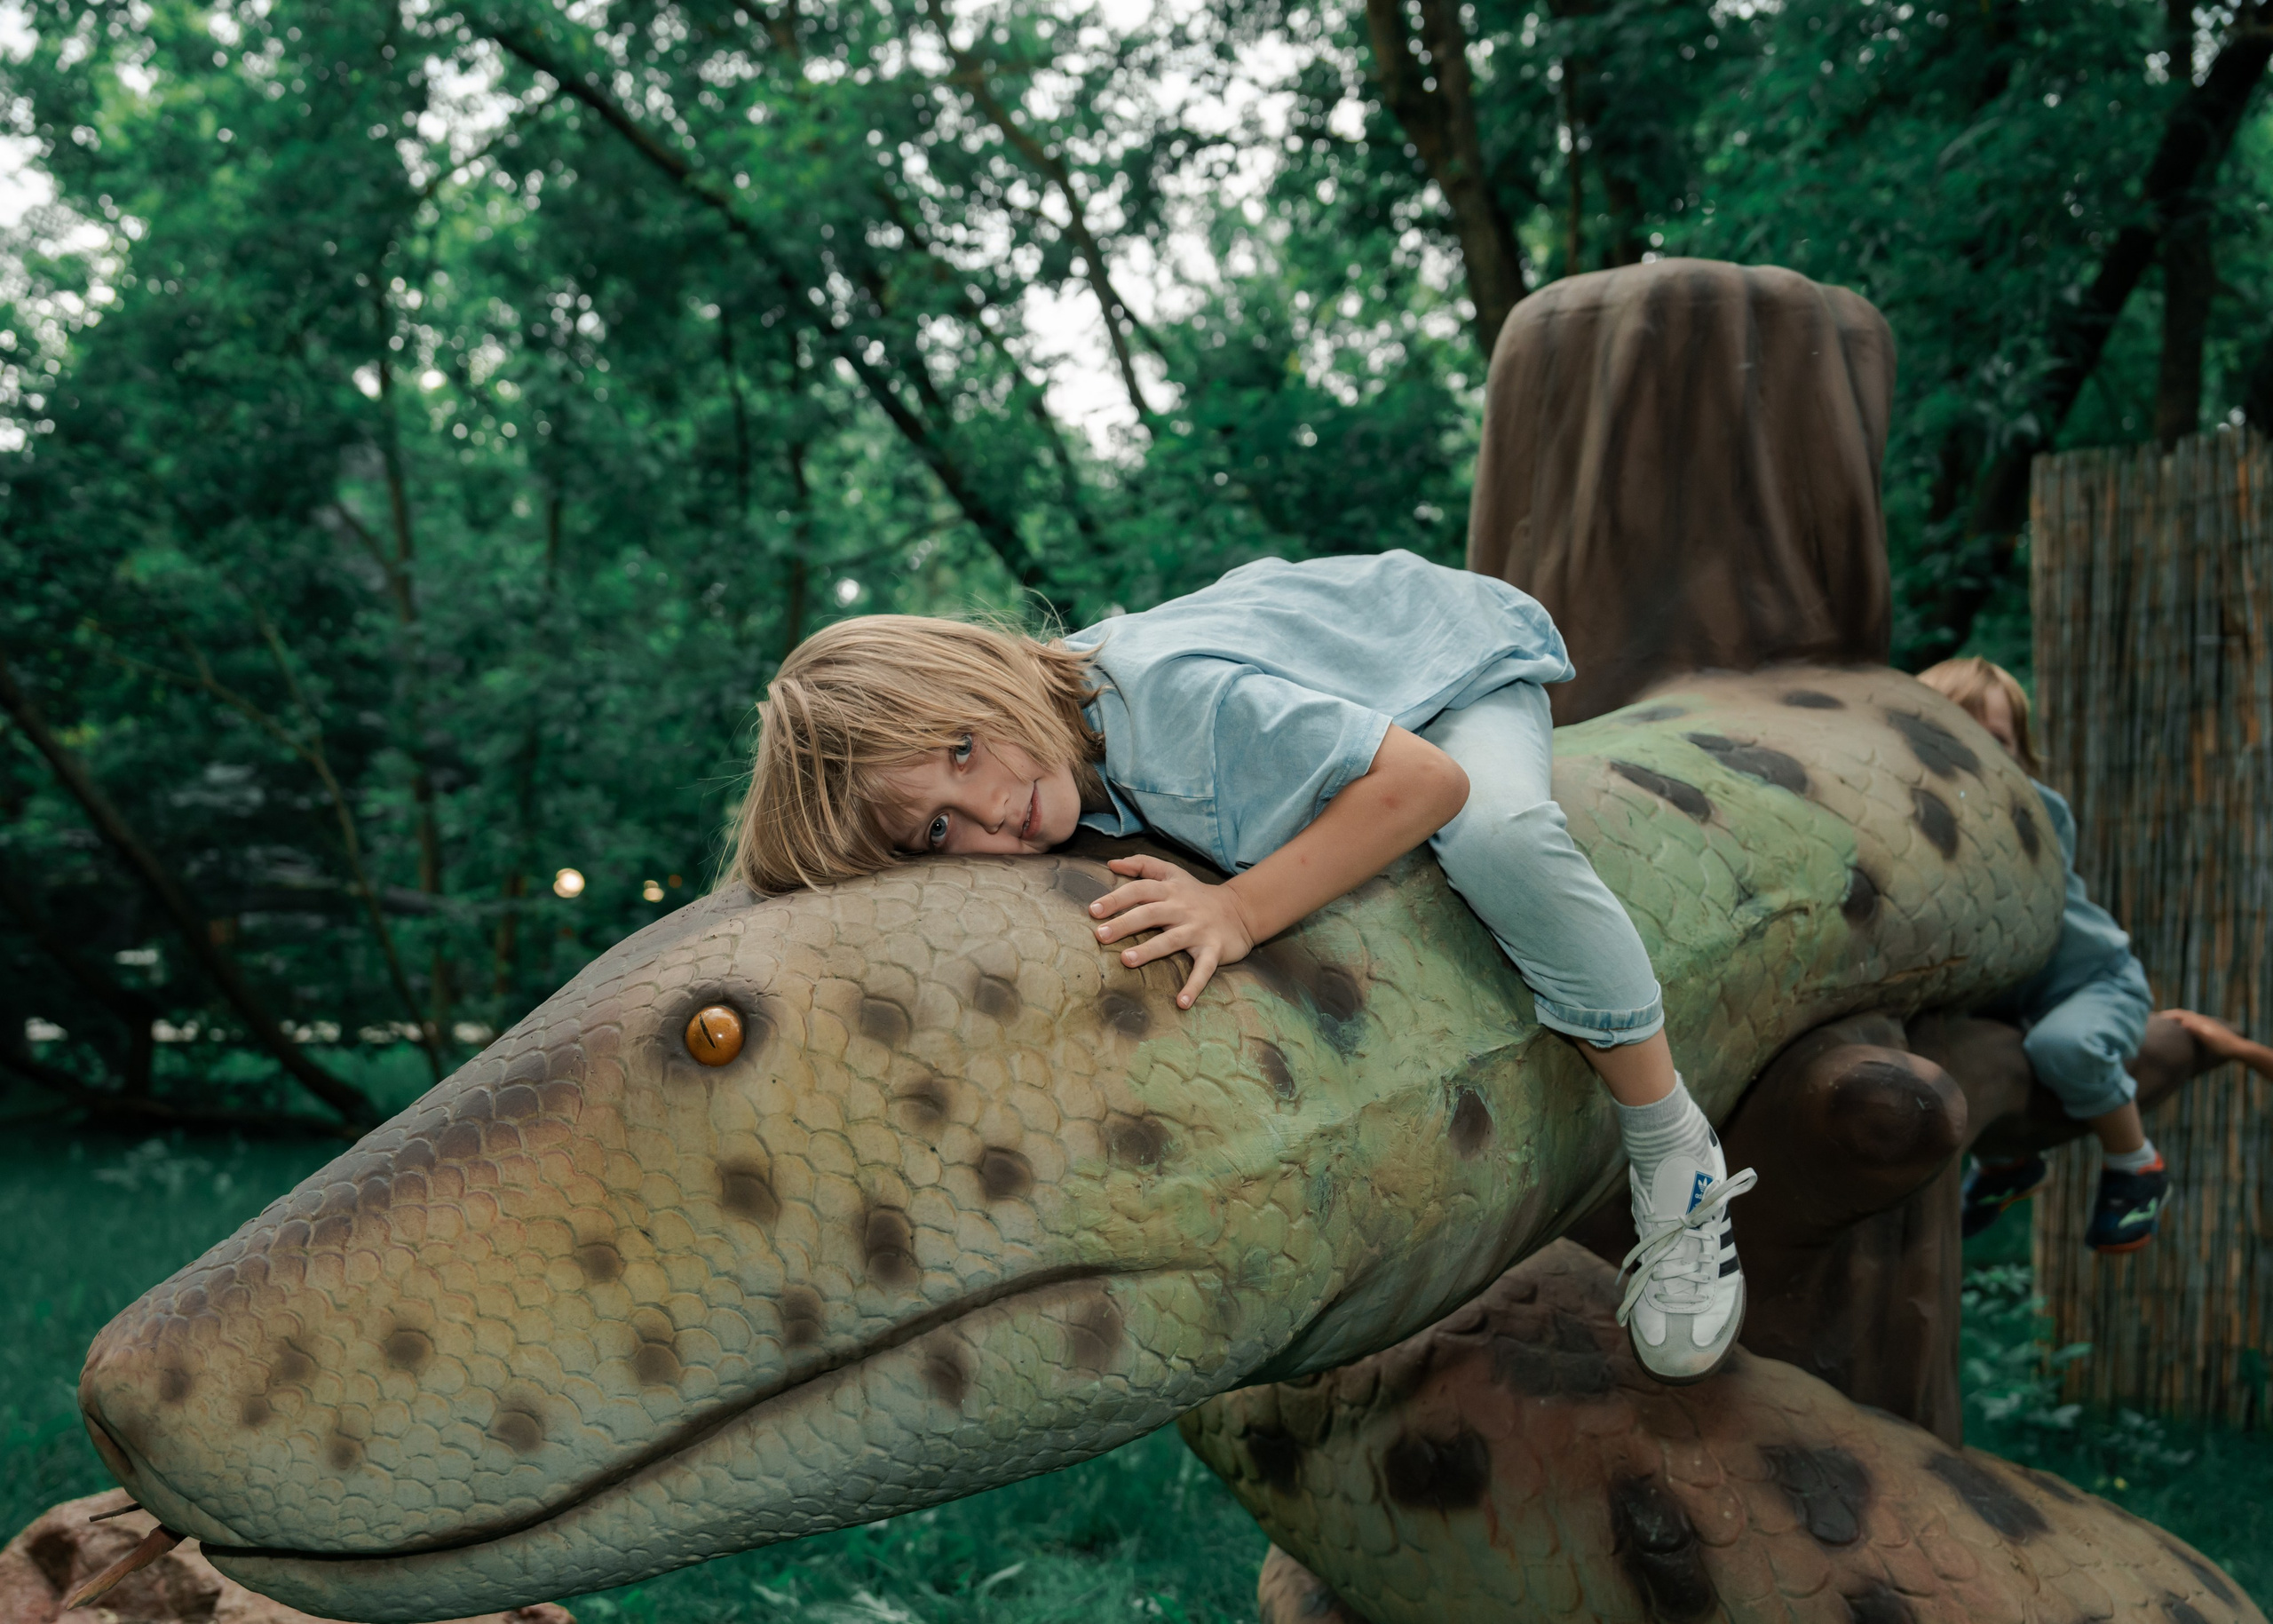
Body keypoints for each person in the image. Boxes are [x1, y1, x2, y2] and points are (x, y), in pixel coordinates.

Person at [736, 550, 1756, 1382]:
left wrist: (1240, 905)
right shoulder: (1051, 757)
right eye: (937, 828)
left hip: (1440, 666)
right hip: (1322, 667)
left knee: (1499, 834)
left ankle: (1671, 1144)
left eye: (962, 748)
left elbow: (1425, 782)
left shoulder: (1173, 713)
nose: (992, 808)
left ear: (981, 673)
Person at [1916, 656, 2170, 1253]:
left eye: (1997, 740)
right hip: (2007, 997)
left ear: (2022, 756)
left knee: (2064, 1047)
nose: (1976, 752)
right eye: (1953, 733)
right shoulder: (1914, 817)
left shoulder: (2037, 811)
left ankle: (2135, 1163)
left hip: (2089, 984)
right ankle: (2008, 1164)